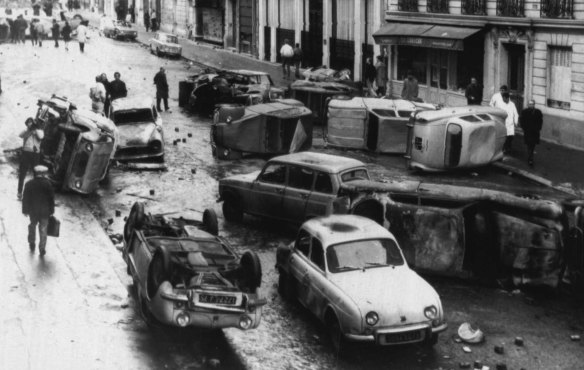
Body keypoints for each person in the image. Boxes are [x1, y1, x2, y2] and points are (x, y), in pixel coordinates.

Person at [22, 165, 55, 257]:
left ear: (35, 173)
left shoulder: (29, 184)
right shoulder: (48, 184)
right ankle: (42, 248)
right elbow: (51, 199)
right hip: (45, 212)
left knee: (32, 226)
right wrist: (52, 210)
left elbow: (25, 198)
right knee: (43, 229)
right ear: (43, 174)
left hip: (33, 211)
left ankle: (32, 242)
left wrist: (25, 210)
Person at [17, 118, 44, 200]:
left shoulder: (39, 131)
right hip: (26, 153)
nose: (31, 124)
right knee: (22, 173)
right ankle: (19, 192)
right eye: (29, 122)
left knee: (36, 174)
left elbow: (41, 136)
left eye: (32, 122)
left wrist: (35, 130)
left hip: (35, 154)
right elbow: (20, 135)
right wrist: (28, 129)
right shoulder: (26, 131)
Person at [520, 99, 543, 167]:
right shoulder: (524, 112)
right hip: (527, 132)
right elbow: (522, 121)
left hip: (535, 132)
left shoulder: (538, 112)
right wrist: (524, 128)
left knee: (532, 145)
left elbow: (540, 121)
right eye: (530, 104)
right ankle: (530, 158)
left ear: (534, 105)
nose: (531, 105)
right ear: (528, 105)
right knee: (529, 145)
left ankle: (530, 157)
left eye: (532, 104)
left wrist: (538, 128)